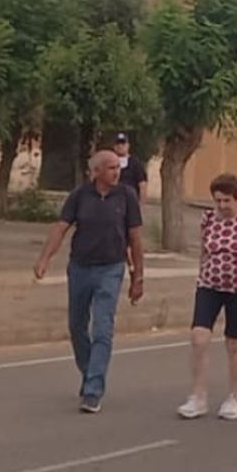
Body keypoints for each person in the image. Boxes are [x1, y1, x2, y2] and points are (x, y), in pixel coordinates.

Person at [34, 149, 145, 413]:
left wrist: (138, 276)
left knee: (103, 329)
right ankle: (89, 371)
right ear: (96, 172)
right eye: (110, 168)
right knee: (76, 326)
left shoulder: (127, 196)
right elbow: (61, 228)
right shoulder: (80, 195)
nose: (116, 172)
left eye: (118, 167)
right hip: (81, 268)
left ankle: (93, 390)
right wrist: (45, 259)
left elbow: (136, 238)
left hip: (111, 268)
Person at [178, 174, 237, 421]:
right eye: (218, 201)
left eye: (227, 200)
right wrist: (200, 274)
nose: (223, 206)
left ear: (236, 199)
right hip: (209, 284)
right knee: (199, 337)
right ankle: (198, 396)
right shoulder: (207, 219)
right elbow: (204, 251)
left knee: (234, 342)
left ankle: (234, 396)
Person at [110, 132, 147, 205]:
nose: (120, 146)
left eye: (123, 143)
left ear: (128, 145)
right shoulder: (109, 162)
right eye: (118, 144)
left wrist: (141, 204)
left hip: (130, 203)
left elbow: (142, 184)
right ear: (114, 146)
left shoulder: (136, 163)